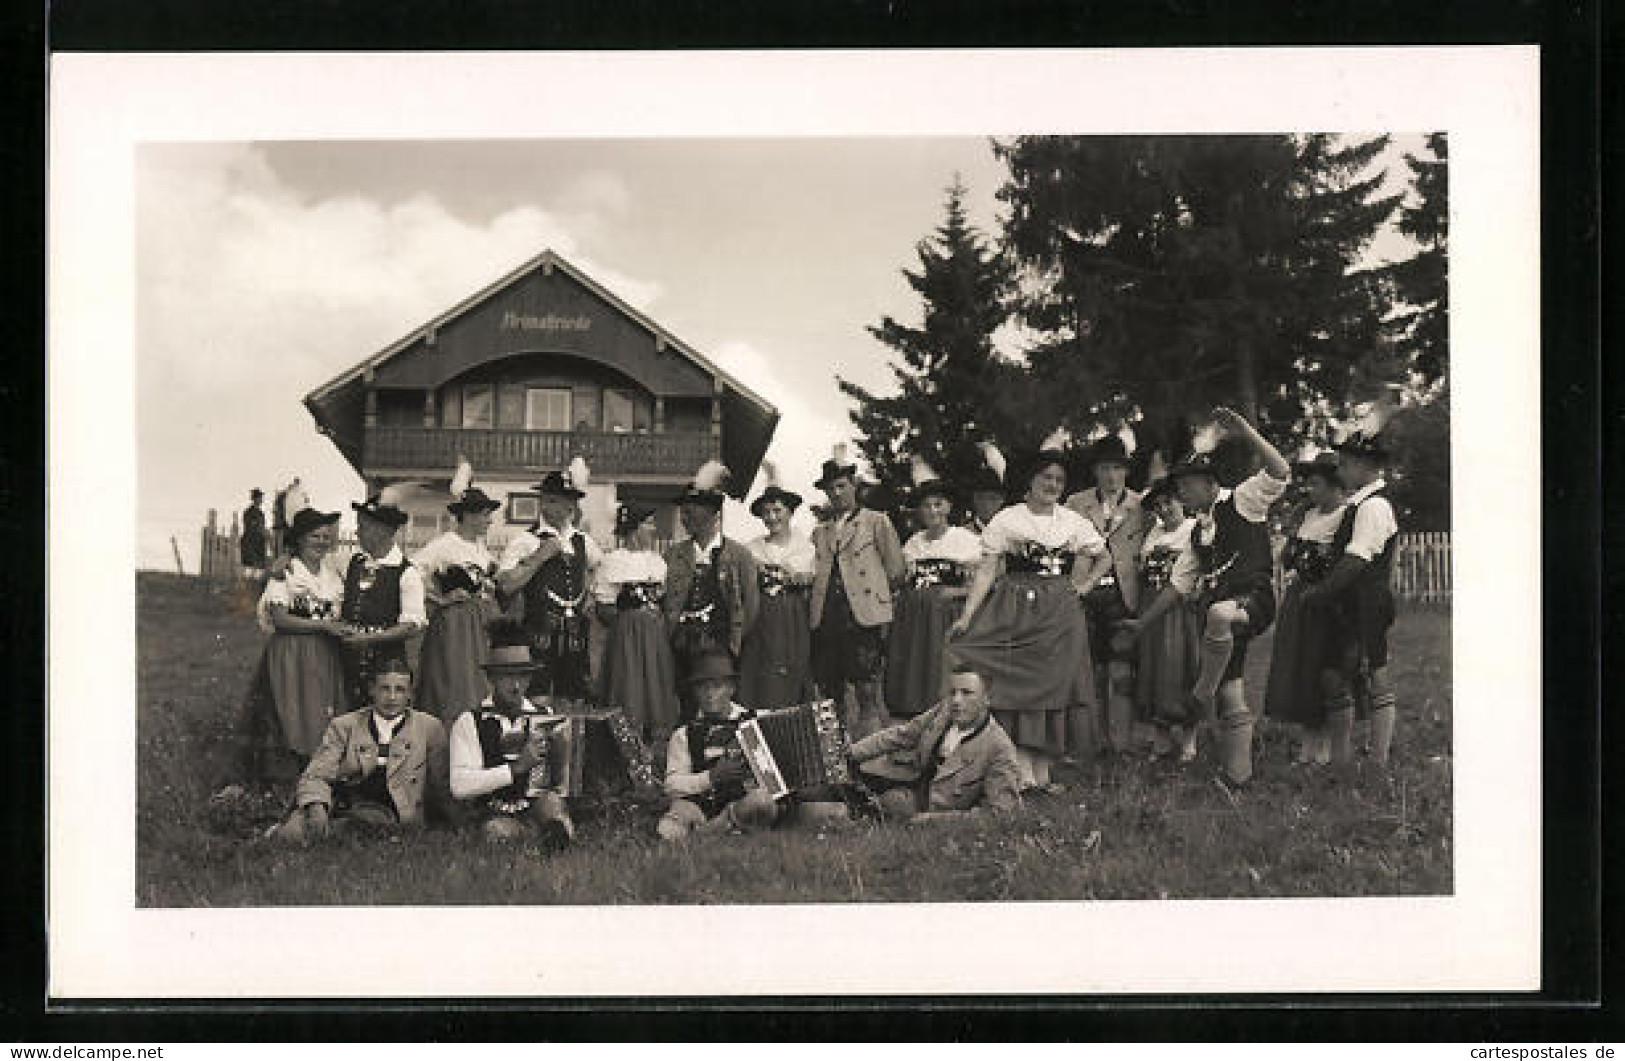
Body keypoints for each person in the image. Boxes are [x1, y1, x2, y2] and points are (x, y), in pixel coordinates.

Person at [1124, 407, 1290, 788]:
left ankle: (1201, 692)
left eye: (1184, 486)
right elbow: (1178, 585)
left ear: (1207, 482)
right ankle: (1238, 778)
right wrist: (1141, 623)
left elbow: (1280, 469)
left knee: (1217, 613)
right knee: (1233, 693)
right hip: (1224, 621)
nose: (1180, 493)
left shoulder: (1243, 500)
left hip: (1253, 599)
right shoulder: (1198, 531)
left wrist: (1246, 431)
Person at [948, 437, 1108, 790]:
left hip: (1060, 612)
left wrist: (1084, 587)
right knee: (1017, 684)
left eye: (1059, 480)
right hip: (1017, 606)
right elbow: (987, 571)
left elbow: (1104, 555)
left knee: (1054, 685)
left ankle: (1043, 771)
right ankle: (1019, 770)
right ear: (1030, 482)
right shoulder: (1008, 519)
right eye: (1045, 477)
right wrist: (968, 615)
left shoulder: (1074, 521)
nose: (1052, 485)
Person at [270, 656, 450, 843]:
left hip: (394, 810)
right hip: (346, 802)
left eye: (400, 690)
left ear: (410, 694)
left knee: (370, 824)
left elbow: (441, 783)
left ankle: (352, 832)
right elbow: (316, 774)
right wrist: (317, 806)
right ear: (371, 690)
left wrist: (452, 822)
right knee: (293, 834)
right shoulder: (345, 726)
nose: (392, 697)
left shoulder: (428, 727)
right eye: (384, 689)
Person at [1304, 431, 1401, 771]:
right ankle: (1342, 758)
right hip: (1348, 603)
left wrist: (1322, 591)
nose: (1340, 471)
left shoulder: (1375, 506)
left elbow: (1357, 559)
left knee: (1375, 671)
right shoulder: (1358, 504)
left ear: (1363, 466)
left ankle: (1378, 760)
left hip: (1366, 602)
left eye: (1344, 464)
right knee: (1334, 677)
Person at [236, 506, 350, 781]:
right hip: (291, 652)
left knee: (321, 712)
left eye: (325, 537)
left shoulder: (332, 572)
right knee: (291, 711)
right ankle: (286, 780)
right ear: (299, 539)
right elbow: (279, 618)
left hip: (324, 653)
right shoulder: (286, 571)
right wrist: (321, 625)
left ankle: (320, 776)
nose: (322, 542)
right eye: (314, 536)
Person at [809, 448, 906, 739]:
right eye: (831, 488)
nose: (836, 493)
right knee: (829, 693)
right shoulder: (820, 531)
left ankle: (869, 754)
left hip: (862, 617)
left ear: (854, 487)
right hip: (826, 619)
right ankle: (835, 759)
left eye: (841, 486)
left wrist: (878, 605)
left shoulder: (876, 522)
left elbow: (896, 571)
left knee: (866, 690)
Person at [1066, 434, 1154, 755]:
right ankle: (1091, 739)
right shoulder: (1076, 504)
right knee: (1089, 667)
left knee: (1121, 668)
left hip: (1123, 596)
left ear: (1126, 472)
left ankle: (1120, 741)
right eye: (1105, 469)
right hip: (1086, 595)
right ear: (1095, 472)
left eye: (1117, 469)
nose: (1111, 476)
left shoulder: (1142, 506)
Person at [1263, 451, 1349, 766]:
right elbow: (1287, 557)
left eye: (1315, 484)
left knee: (1320, 666)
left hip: (1326, 599)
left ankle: (1324, 746)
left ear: (1334, 485)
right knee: (1299, 665)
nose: (1310, 490)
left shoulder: (1346, 515)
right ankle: (1307, 745)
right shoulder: (1308, 516)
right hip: (1299, 597)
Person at [849, 664, 1022, 821]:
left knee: (860, 808)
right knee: (843, 785)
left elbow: (1000, 813)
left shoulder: (999, 748)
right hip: (907, 782)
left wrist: (932, 820)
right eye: (952, 692)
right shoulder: (944, 711)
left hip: (928, 808)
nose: (956, 700)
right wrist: (851, 753)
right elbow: (902, 735)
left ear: (987, 699)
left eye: (967, 693)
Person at [448, 644, 576, 849]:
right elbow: (460, 786)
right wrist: (516, 768)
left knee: (551, 804)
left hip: (534, 805)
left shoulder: (545, 715)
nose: (516, 686)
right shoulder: (471, 720)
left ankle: (551, 833)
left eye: (523, 677)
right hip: (490, 810)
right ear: (491, 678)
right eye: (507, 677)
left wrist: (564, 760)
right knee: (497, 831)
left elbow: (557, 779)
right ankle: (539, 838)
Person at [662, 461, 760, 722]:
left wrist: (732, 642)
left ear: (714, 513)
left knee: (716, 703)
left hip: (720, 643)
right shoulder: (674, 554)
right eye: (684, 510)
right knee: (685, 701)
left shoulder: (739, 555)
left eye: (693, 510)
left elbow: (750, 607)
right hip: (682, 642)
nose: (685, 516)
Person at [497, 463, 603, 701]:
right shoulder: (525, 540)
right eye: (547, 499)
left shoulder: (583, 541)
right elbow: (505, 585)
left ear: (571, 505)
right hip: (540, 633)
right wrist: (539, 557)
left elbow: (601, 569)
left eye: (557, 501)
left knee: (574, 697)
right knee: (537, 695)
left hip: (575, 634)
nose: (548, 506)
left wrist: (590, 595)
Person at [885, 466, 981, 719]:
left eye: (938, 505)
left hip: (945, 613)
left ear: (948, 507)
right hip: (914, 615)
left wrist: (957, 591)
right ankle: (916, 720)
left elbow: (982, 581)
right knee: (915, 666)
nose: (932, 511)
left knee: (941, 665)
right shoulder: (914, 543)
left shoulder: (965, 539)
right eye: (926, 506)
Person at [655, 653, 782, 842]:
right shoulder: (684, 734)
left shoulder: (759, 721)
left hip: (748, 802)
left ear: (731, 688)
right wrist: (712, 777)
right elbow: (672, 786)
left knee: (762, 801)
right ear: (694, 692)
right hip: (702, 806)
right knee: (668, 829)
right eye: (702, 687)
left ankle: (706, 834)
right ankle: (725, 830)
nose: (709, 694)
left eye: (717, 686)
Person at [412, 485, 503, 724]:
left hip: (482, 623)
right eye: (485, 514)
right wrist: (439, 599)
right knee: (454, 684)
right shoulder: (444, 545)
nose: (489, 521)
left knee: (482, 682)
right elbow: (410, 573)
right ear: (469, 516)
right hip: (455, 628)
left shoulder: (481, 548)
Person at [593, 503, 680, 742]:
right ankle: (627, 748)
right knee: (629, 690)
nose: (654, 529)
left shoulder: (658, 562)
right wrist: (630, 622)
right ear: (634, 528)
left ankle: (652, 750)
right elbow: (604, 608)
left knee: (654, 689)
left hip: (654, 635)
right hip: (628, 637)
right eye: (649, 523)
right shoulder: (614, 561)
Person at [333, 493, 428, 710]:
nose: (357, 532)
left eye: (363, 527)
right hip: (347, 661)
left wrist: (370, 638)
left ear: (385, 531)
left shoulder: (406, 573)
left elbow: (412, 626)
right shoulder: (354, 563)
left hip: (387, 666)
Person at [1132, 479, 1201, 761]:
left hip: (1180, 607)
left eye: (1168, 502)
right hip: (1151, 604)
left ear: (1180, 501)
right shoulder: (1153, 534)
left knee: (1182, 667)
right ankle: (1161, 738)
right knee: (1154, 668)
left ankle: (1188, 738)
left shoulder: (1194, 529)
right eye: (1158, 506)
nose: (1163, 509)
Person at [738, 467, 816, 711]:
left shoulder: (805, 548)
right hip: (761, 613)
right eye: (766, 512)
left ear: (790, 513)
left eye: (777, 511)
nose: (772, 517)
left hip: (792, 616)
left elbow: (808, 582)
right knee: (762, 667)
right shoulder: (752, 548)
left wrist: (798, 578)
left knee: (791, 666)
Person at [240, 488, 268, 578]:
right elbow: (250, 527)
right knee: (249, 570)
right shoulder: (248, 512)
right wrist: (261, 530)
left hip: (259, 544)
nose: (261, 500)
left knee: (259, 572)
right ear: (254, 499)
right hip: (250, 543)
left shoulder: (261, 514)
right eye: (259, 498)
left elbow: (262, 527)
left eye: (261, 498)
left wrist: (265, 533)